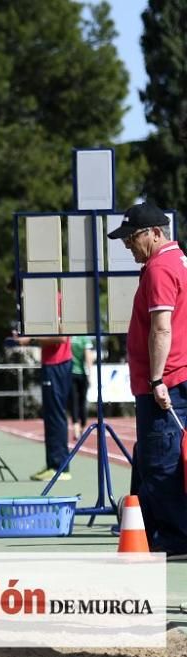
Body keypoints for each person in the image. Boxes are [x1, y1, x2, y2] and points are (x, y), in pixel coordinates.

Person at [107, 202, 187, 556]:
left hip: (165, 382)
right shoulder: (179, 262)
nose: (128, 245)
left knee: (161, 460)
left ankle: (175, 536)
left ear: (155, 233)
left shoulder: (159, 269)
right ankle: (145, 527)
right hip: (177, 375)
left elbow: (161, 327)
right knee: (149, 457)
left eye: (132, 237)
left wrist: (157, 379)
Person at [12, 330, 73, 482]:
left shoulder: (57, 307)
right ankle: (53, 464)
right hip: (52, 364)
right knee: (51, 416)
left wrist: (30, 339)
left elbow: (61, 338)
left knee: (56, 416)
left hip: (57, 364)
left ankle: (60, 467)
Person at [68, 335, 96, 441]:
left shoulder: (69, 338)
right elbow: (88, 356)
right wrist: (90, 374)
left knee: (74, 402)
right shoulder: (84, 338)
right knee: (82, 401)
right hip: (82, 373)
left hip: (70, 373)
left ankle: (76, 428)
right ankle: (82, 427)